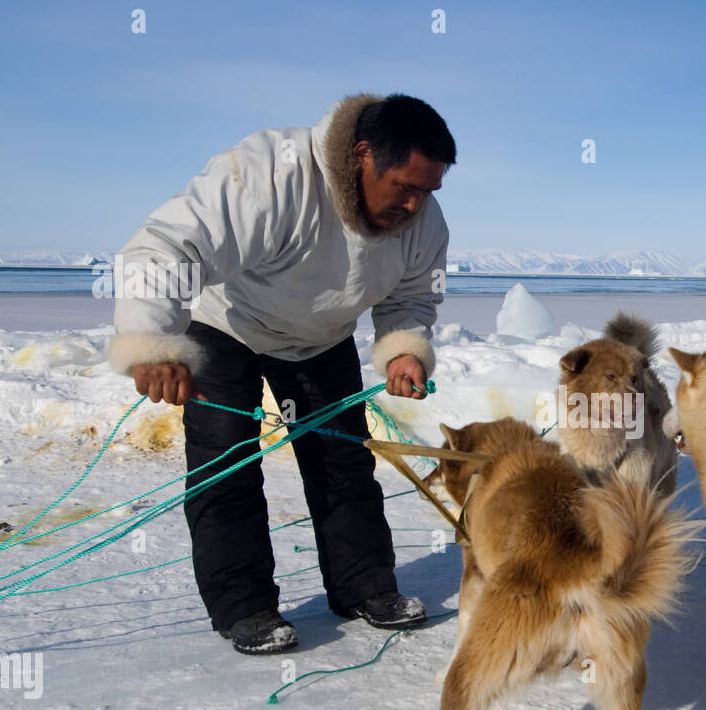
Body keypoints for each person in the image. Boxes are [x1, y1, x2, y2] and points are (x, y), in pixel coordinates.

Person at [107, 93, 456, 654]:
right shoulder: (272, 173)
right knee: (229, 468)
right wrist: (153, 341)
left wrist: (403, 349)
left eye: (428, 191)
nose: (415, 206)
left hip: (321, 339)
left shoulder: (422, 221)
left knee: (344, 462)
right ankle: (244, 607)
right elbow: (167, 246)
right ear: (363, 154)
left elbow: (413, 296)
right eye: (406, 188)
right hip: (227, 327)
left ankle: (364, 586)